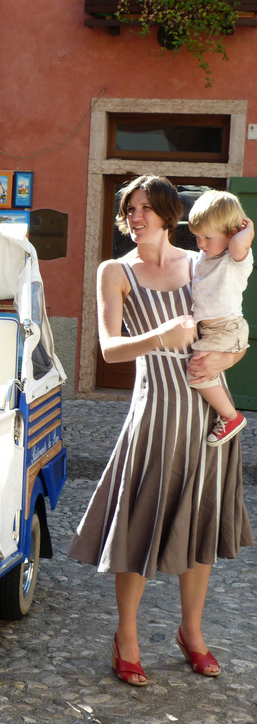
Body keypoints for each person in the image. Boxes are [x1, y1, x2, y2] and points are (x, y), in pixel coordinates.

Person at [68, 174, 253, 685]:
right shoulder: (115, 271)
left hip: (208, 410)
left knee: (202, 523)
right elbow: (109, 349)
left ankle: (191, 633)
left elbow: (232, 329)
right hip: (154, 413)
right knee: (140, 523)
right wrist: (158, 336)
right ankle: (125, 636)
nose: (135, 216)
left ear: (170, 214)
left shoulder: (202, 263)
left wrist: (231, 352)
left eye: (145, 207)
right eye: (130, 208)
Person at [186, 191, 254, 446]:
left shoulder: (236, 258)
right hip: (213, 330)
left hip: (228, 328)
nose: (201, 243)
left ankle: (230, 416)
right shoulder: (204, 257)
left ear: (233, 232)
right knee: (201, 371)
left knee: (197, 373)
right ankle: (225, 413)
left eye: (208, 237)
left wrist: (249, 228)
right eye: (197, 236)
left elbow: (238, 244)